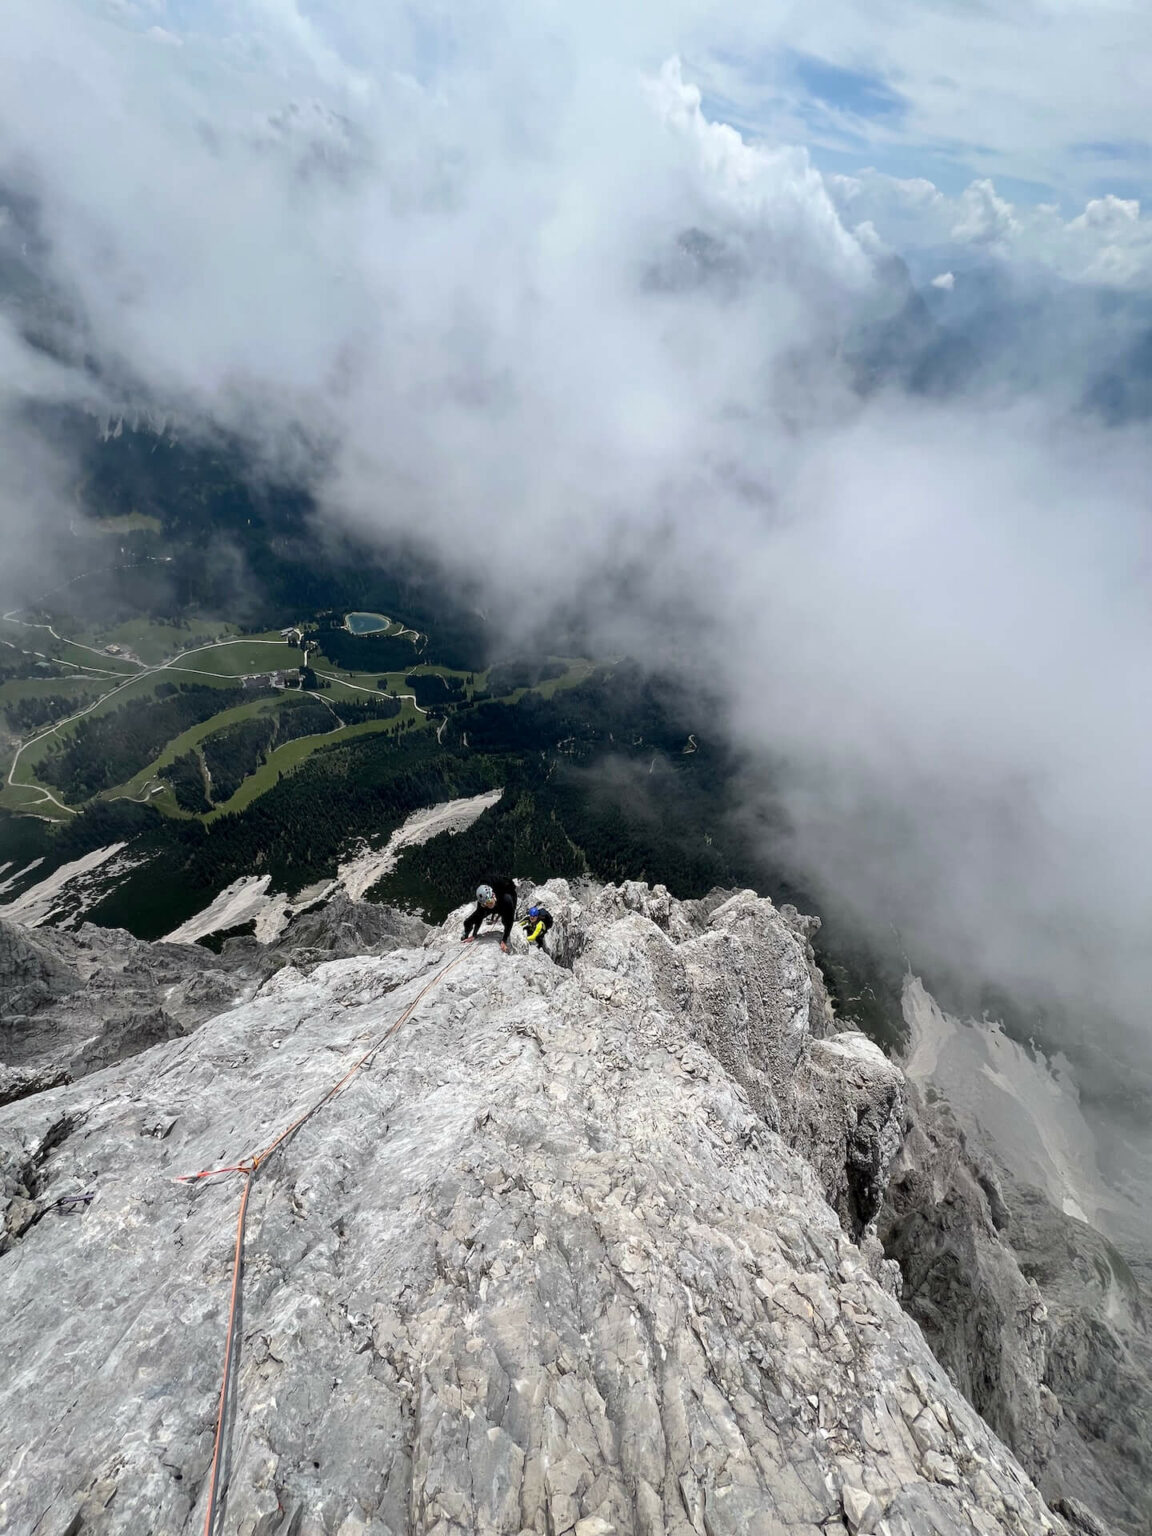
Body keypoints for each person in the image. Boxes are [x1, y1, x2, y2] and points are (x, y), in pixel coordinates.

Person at [462, 877, 517, 951]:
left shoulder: (506, 899)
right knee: (467, 922)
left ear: (493, 895)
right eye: (485, 904)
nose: (489, 906)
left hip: (504, 902)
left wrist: (504, 941)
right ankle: (466, 934)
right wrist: (474, 935)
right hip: (495, 901)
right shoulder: (484, 903)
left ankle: (500, 914)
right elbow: (479, 916)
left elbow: (510, 922)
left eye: (489, 903)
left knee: (505, 920)